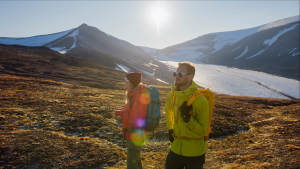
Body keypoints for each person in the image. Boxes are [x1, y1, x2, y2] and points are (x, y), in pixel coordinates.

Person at [165, 62, 209, 169]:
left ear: (191, 76)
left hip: (195, 153)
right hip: (175, 149)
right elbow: (169, 113)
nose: (176, 76)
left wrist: (188, 119)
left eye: (180, 74)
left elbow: (203, 131)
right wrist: (170, 129)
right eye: (175, 73)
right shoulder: (172, 96)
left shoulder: (201, 100)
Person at [115, 72, 149, 169]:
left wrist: (128, 130)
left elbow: (138, 118)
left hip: (134, 135)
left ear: (131, 83)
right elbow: (130, 112)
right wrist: (119, 112)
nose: (124, 83)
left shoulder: (137, 96)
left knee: (131, 163)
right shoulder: (133, 94)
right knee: (136, 158)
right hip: (134, 134)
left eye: (126, 81)